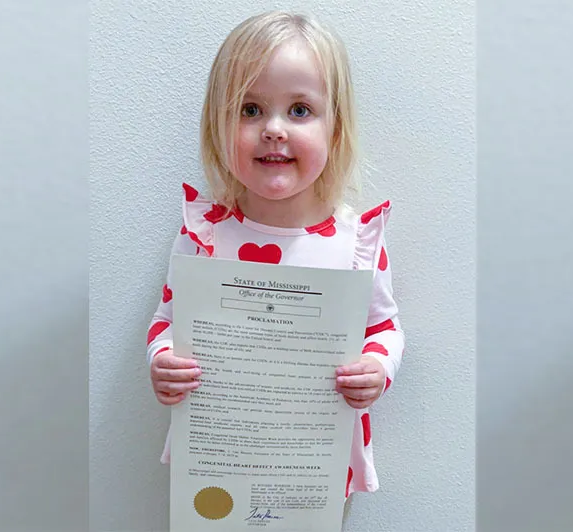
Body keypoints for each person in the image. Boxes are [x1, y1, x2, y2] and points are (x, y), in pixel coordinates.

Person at [146, 10, 405, 501]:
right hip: (219, 456)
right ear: (217, 124)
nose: (274, 129)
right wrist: (162, 361)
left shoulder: (356, 242)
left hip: (313, 465)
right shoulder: (203, 234)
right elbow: (167, 319)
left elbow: (384, 328)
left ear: (336, 126)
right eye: (249, 109)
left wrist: (378, 369)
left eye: (300, 110)